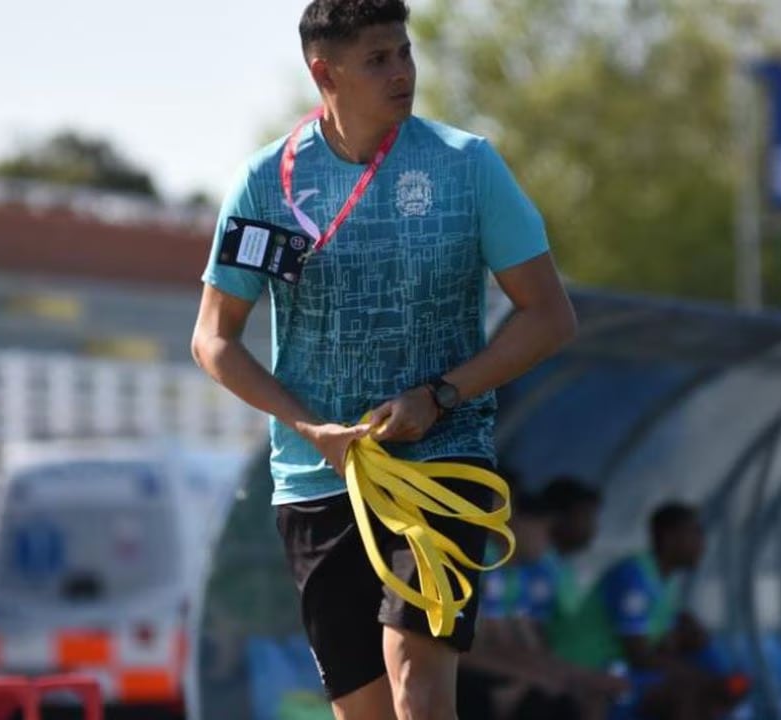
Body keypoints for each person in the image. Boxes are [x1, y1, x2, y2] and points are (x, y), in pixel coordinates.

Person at [190, 0, 577, 717]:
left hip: (443, 462)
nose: (402, 72)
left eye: (404, 52)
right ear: (323, 73)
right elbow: (214, 340)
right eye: (377, 59)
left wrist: (443, 396)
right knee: (364, 711)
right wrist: (312, 429)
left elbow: (550, 316)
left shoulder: (468, 166)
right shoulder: (263, 184)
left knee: (415, 679)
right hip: (317, 479)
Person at [459, 490, 626, 720]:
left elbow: (513, 640)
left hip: (477, 662)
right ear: (517, 522)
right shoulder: (482, 561)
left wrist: (557, 674)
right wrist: (535, 674)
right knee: (541, 693)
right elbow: (468, 647)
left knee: (566, 690)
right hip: (452, 667)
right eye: (544, 531)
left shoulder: (512, 573)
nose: (546, 541)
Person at [577, 502, 740, 720]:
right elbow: (639, 655)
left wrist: (695, 640)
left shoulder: (666, 583)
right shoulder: (633, 576)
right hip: (590, 666)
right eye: (694, 534)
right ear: (669, 538)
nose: (702, 544)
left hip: (620, 667)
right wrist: (700, 678)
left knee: (735, 683)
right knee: (687, 693)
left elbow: (664, 646)